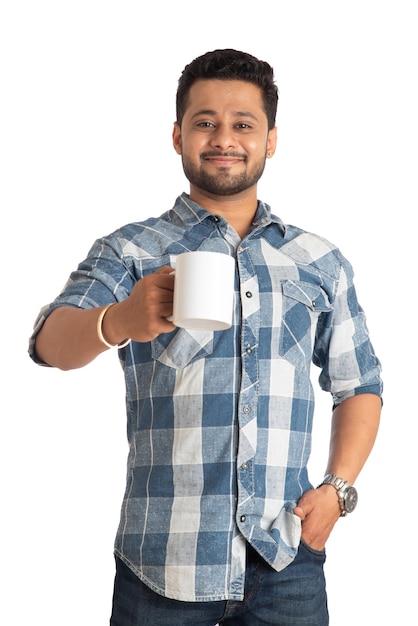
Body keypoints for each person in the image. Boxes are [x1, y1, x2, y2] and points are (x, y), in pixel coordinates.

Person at [29, 49, 383, 626]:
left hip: (286, 562)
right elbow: (48, 343)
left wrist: (338, 492)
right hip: (161, 565)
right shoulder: (131, 249)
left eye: (243, 124)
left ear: (271, 139)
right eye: (205, 122)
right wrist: (117, 320)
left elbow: (359, 383)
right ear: (177, 136)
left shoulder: (319, 261)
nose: (224, 138)